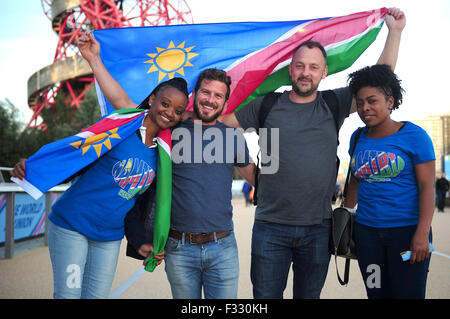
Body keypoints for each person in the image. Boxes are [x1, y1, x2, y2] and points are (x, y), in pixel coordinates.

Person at [218, 8, 406, 298]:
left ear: (324, 72)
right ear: (290, 69)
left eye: (313, 67)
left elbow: (379, 83)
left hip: (318, 229)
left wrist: (394, 32)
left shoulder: (334, 103)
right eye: (300, 66)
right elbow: (217, 121)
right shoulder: (265, 104)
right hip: (270, 228)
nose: (306, 73)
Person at [80, 34, 256, 298]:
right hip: (178, 247)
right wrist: (94, 59)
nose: (210, 99)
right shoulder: (170, 126)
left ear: (225, 101)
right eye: (205, 92)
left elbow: (258, 179)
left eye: (218, 96)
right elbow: (124, 104)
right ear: (195, 94)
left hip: (223, 247)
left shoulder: (233, 137)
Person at [10, 39, 189, 299]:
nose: (169, 112)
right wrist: (34, 168)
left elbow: (133, 205)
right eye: (165, 103)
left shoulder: (162, 153)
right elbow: (76, 154)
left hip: (109, 236)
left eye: (178, 110)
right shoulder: (122, 128)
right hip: (72, 224)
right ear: (152, 100)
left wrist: (140, 242)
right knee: (69, 295)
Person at [344, 64, 435, 299]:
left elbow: (427, 187)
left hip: (406, 234)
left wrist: (422, 234)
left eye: (372, 101)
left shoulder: (414, 136)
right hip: (367, 237)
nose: (365, 108)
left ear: (390, 102)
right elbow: (355, 181)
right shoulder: (357, 138)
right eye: (361, 102)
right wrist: (344, 215)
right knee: (376, 294)